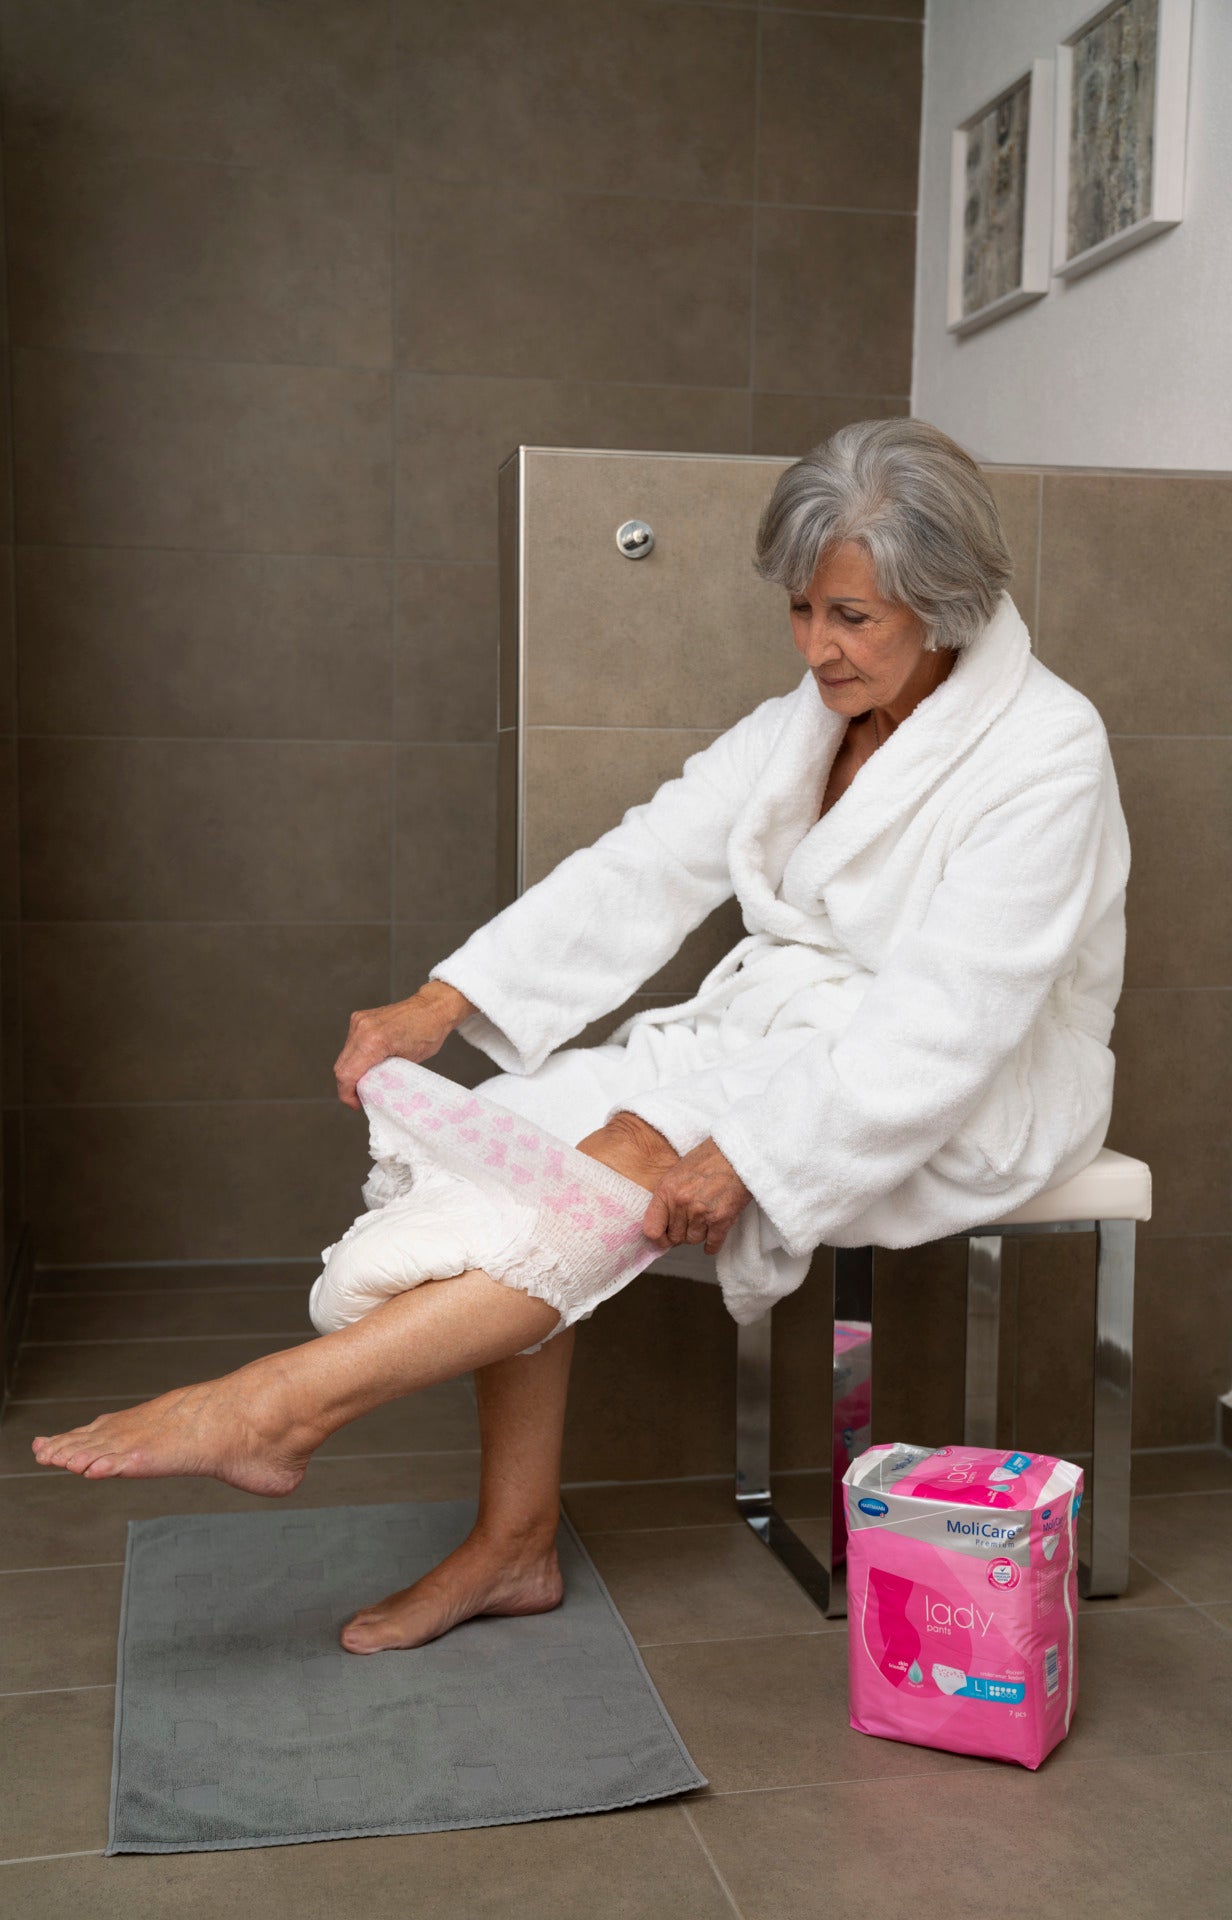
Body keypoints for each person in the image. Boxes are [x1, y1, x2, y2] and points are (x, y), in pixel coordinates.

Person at [30, 418, 1129, 1660]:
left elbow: (951, 1018)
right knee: (520, 1132)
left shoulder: (1045, 750)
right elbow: (648, 857)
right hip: (793, 1028)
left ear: (947, 605)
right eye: (801, 609)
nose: (816, 648)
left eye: (852, 619)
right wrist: (445, 1000)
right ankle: (514, 1546)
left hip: (976, 1078)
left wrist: (756, 1151)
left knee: (616, 1153)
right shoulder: (812, 718)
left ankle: (278, 1407)